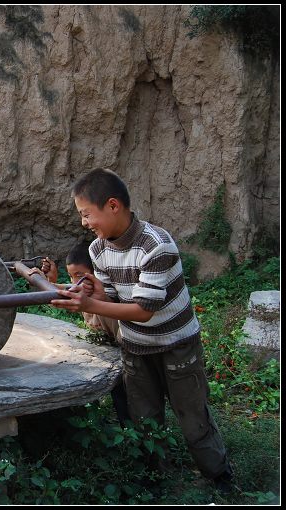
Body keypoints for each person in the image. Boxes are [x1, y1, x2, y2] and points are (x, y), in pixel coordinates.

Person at [49, 168, 234, 494]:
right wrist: (91, 293)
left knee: (193, 418)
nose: (84, 223)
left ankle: (220, 479)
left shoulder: (156, 245)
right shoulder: (98, 250)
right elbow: (112, 300)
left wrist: (88, 305)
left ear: (113, 205)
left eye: (87, 214)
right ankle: (154, 481)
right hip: (136, 347)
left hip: (177, 344)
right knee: (145, 419)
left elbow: (143, 311)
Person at [26, 243, 130, 427]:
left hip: (126, 357)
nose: (76, 283)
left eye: (80, 276)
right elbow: (62, 292)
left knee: (127, 402)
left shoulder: (108, 295)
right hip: (107, 356)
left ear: (96, 274)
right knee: (118, 398)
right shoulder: (81, 291)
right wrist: (47, 281)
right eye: (72, 277)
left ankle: (132, 435)